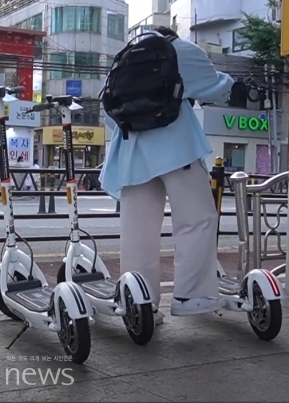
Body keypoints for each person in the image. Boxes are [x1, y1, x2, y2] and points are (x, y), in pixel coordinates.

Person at [99, 26, 234, 325]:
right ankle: (191, 296)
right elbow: (216, 88)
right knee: (197, 220)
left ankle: (139, 302)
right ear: (170, 33)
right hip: (177, 150)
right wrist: (230, 81)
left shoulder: (123, 59)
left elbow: (109, 110)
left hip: (133, 155)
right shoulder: (181, 50)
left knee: (138, 232)